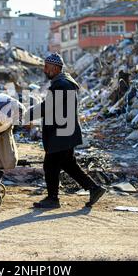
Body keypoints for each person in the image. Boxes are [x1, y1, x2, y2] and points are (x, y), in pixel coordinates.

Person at [26, 53, 107, 209]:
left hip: (61, 134)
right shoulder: (62, 83)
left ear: (56, 68)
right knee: (69, 165)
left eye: (47, 67)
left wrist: (27, 113)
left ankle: (53, 199)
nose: (44, 70)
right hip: (64, 133)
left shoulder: (62, 85)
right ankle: (94, 188)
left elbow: (47, 107)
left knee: (50, 165)